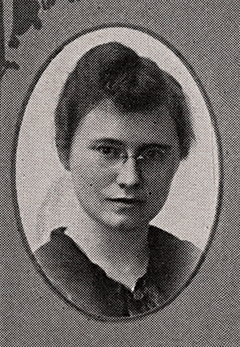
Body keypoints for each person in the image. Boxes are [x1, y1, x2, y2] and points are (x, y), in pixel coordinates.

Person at [34, 42, 201, 318]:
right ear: (65, 151)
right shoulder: (37, 275)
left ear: (178, 156)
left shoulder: (193, 265)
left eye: (153, 153)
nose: (130, 178)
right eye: (108, 151)